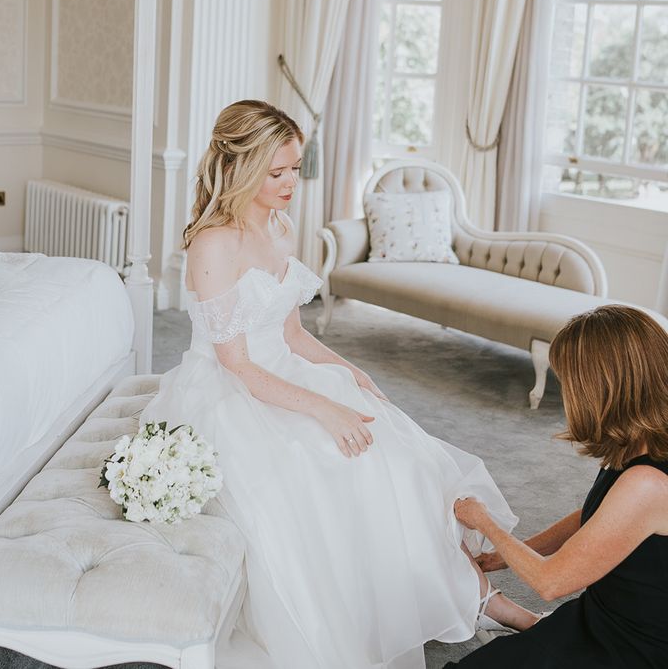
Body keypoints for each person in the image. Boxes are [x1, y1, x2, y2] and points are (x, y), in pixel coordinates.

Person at [140, 100, 538, 669]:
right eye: (275, 172)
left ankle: (476, 594)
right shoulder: (214, 243)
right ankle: (462, 600)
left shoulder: (277, 227)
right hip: (233, 394)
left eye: (294, 168)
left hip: (287, 374)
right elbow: (238, 364)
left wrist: (351, 372)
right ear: (242, 165)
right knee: (333, 470)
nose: (289, 184)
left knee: (409, 463)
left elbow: (293, 333)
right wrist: (325, 408)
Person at [450, 304, 668, 668]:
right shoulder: (640, 442)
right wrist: (502, 557)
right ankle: (527, 624)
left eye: (567, 380)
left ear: (601, 387)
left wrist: (484, 521)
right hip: (601, 618)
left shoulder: (647, 482)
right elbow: (596, 516)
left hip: (631, 647)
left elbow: (551, 583)